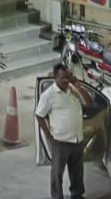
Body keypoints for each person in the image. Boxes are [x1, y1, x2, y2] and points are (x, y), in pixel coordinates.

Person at [35, 63, 93, 199]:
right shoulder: (48, 95)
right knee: (57, 173)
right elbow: (39, 115)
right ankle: (57, 196)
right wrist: (48, 136)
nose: (66, 81)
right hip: (60, 141)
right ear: (56, 77)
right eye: (63, 78)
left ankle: (77, 194)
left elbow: (89, 103)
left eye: (68, 77)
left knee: (77, 171)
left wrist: (80, 88)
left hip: (77, 139)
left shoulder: (73, 91)